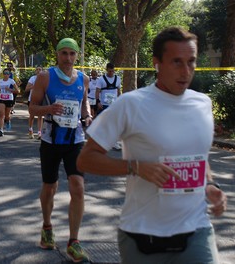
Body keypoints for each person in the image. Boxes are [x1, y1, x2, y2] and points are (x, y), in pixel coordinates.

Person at [77, 27, 227, 264]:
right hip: (143, 235)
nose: (186, 71)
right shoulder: (131, 104)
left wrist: (209, 184)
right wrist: (136, 167)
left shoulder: (203, 104)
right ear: (157, 63)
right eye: (176, 62)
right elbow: (86, 159)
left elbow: (199, 156)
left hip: (196, 229)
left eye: (191, 62)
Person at [28, 38, 92, 262]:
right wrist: (49, 108)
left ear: (77, 56)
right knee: (50, 186)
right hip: (51, 140)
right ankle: (47, 227)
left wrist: (88, 116)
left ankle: (74, 241)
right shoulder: (45, 77)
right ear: (57, 55)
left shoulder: (83, 79)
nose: (68, 58)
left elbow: (84, 104)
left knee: (78, 186)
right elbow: (32, 108)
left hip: (75, 139)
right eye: (64, 53)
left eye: (72, 54)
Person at [95, 62, 122, 150]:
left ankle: (114, 142)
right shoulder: (101, 79)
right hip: (104, 105)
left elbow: (118, 91)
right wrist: (98, 101)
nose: (111, 73)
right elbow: (97, 91)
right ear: (107, 70)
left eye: (113, 71)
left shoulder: (117, 79)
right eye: (110, 71)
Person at [0, 69, 18, 136]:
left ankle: (8, 121)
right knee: (1, 114)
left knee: (7, 115)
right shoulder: (0, 81)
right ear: (3, 74)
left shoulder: (11, 81)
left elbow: (17, 91)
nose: (6, 75)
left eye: (7, 73)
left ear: (9, 74)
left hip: (9, 99)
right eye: (5, 73)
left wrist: (10, 89)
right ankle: (1, 130)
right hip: (1, 98)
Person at [25, 66, 44, 139]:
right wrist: (33, 86)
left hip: (41, 99)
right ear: (35, 71)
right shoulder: (32, 78)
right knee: (32, 116)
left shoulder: (44, 79)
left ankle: (39, 132)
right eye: (37, 69)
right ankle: (30, 130)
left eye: (40, 69)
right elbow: (26, 89)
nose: (38, 71)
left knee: (40, 116)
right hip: (32, 99)